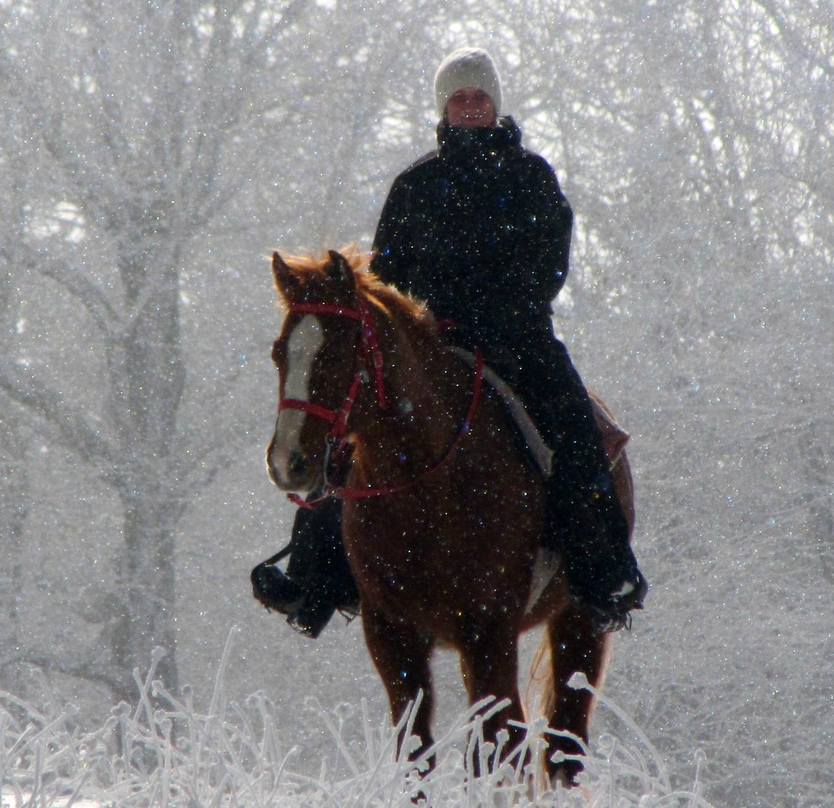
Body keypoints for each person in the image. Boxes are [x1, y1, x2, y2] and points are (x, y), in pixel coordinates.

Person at [252, 47, 647, 636]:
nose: (469, 106)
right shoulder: (415, 185)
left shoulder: (531, 177)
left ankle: (601, 570)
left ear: (495, 105)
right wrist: (425, 324)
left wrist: (497, 310)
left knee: (573, 428)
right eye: (458, 97)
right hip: (430, 346)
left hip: (519, 343)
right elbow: (385, 278)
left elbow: (549, 266)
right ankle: (316, 576)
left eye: (478, 97)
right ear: (443, 108)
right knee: (347, 435)